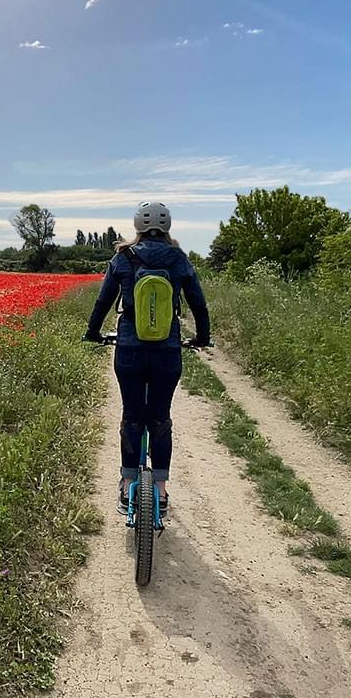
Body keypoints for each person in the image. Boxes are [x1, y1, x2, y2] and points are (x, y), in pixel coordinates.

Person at [83, 201, 211, 515]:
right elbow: (199, 304)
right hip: (167, 351)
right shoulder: (179, 259)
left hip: (129, 349)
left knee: (132, 415)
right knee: (160, 418)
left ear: (138, 226)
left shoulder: (123, 258)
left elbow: (103, 302)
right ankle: (161, 489)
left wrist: (93, 333)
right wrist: (202, 338)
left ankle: (128, 486)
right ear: (167, 227)